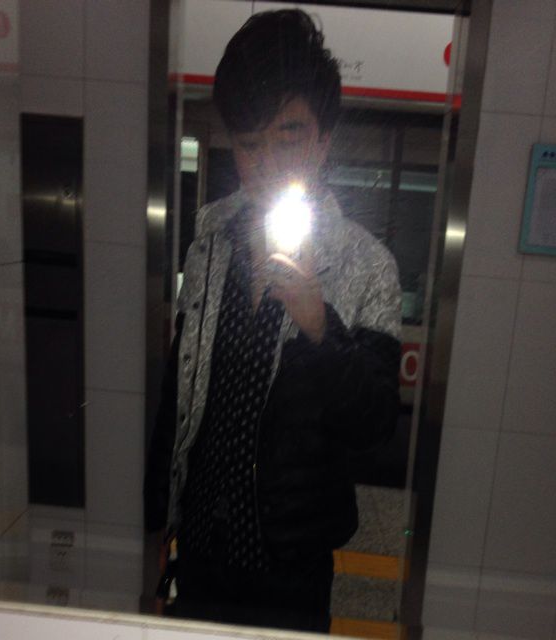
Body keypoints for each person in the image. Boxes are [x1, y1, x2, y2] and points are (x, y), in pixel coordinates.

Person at [144, 8, 402, 633]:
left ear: (323, 139)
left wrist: (319, 327)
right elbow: (182, 393)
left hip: (291, 563)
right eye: (249, 143)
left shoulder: (368, 265)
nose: (267, 165)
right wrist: (157, 524)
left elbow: (374, 424)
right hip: (200, 550)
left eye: (288, 137)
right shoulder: (210, 241)